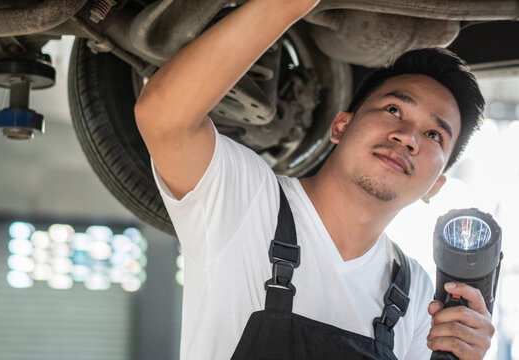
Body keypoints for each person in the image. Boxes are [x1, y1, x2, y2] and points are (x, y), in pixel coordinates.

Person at [134, 0, 495, 359]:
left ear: (436, 186)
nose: (407, 137)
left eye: (434, 135)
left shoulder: (413, 290)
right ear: (341, 126)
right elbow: (163, 117)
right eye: (393, 109)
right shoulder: (248, 202)